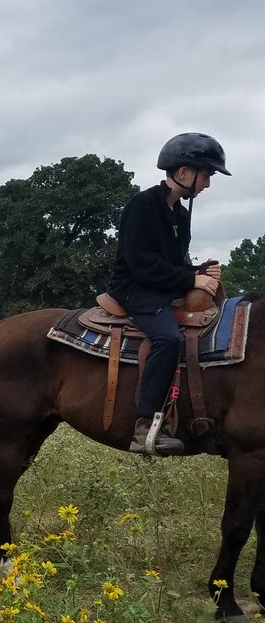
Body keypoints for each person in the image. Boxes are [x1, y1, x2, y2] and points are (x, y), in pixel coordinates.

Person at [107, 132, 227, 455]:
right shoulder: (142, 205)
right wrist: (191, 279)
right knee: (168, 339)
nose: (207, 184)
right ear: (184, 172)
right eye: (206, 175)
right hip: (134, 288)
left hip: (159, 287)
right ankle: (144, 424)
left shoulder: (180, 216)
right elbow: (142, 263)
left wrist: (200, 272)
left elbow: (175, 263)